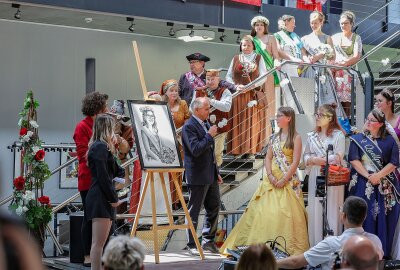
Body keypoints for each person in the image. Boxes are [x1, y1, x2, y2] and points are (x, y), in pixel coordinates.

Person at [220, 107, 309, 256]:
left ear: (289, 118)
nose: (277, 118)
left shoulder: (296, 137)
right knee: (262, 213)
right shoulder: (274, 137)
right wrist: (270, 175)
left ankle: (283, 248)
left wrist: (284, 179)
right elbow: (268, 158)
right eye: (277, 115)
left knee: (284, 214)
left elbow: (295, 162)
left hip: (287, 181)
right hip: (271, 180)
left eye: (280, 116)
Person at [277, 196, 384, 270]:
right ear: (364, 217)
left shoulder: (331, 244)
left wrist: (272, 262)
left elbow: (296, 263)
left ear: (343, 216)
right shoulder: (375, 240)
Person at [347, 109, 400, 257]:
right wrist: (369, 176)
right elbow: (353, 159)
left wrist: (378, 175)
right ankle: (358, 251)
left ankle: (380, 253)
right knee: (363, 215)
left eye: (372, 120)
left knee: (382, 215)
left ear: (381, 124)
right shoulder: (358, 138)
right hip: (363, 182)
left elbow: (394, 162)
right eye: (367, 119)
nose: (368, 122)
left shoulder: (390, 141)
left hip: (384, 183)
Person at [182, 97, 223, 256]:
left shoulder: (205, 124)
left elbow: (210, 153)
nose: (209, 111)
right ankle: (192, 244)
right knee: (194, 211)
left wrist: (216, 172)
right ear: (197, 110)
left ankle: (208, 241)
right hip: (197, 176)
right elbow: (195, 149)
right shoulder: (189, 127)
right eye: (206, 108)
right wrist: (209, 136)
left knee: (214, 207)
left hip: (210, 175)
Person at [73, 91, 108, 266]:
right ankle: (87, 254)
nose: (108, 109)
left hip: (101, 177)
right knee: (89, 217)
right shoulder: (82, 126)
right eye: (105, 106)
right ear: (98, 108)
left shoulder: (102, 125)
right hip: (88, 179)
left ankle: (98, 252)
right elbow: (82, 155)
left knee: (101, 219)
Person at [86, 114, 125, 270]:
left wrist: (114, 149)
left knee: (101, 242)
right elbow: (103, 177)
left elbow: (118, 171)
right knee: (98, 243)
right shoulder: (99, 147)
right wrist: (113, 198)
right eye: (113, 128)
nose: (115, 131)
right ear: (106, 129)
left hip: (102, 196)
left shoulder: (103, 147)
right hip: (100, 197)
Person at [303, 104, 346, 246]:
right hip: (316, 174)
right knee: (316, 208)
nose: (317, 117)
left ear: (330, 118)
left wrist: (319, 160)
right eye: (316, 114)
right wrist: (312, 160)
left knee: (332, 208)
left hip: (331, 175)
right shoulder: (312, 136)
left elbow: (339, 157)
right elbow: (306, 156)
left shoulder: (338, 135)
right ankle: (316, 245)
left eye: (320, 115)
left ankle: (332, 249)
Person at [226, 35, 268, 158]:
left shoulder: (259, 58)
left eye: (249, 45)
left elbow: (264, 76)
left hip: (252, 94)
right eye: (244, 45)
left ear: (253, 46)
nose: (246, 47)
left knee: (251, 122)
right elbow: (228, 75)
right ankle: (237, 150)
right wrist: (235, 86)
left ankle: (251, 150)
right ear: (241, 46)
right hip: (238, 94)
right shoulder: (235, 58)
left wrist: (253, 85)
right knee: (237, 121)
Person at [375, 89, 400, 260]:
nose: (377, 104)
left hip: (396, 167)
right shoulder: (375, 120)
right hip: (379, 168)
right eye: (376, 101)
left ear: (389, 103)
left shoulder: (398, 120)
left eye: (379, 101)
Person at [192, 69, 232, 166]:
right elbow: (191, 108)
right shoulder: (199, 91)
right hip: (202, 128)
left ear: (218, 80)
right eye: (208, 79)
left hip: (219, 127)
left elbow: (226, 107)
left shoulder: (225, 91)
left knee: (217, 153)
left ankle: (217, 175)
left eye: (213, 79)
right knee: (204, 153)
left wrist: (210, 101)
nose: (210, 82)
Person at [160, 79, 190, 209]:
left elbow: (188, 121)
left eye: (176, 91)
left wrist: (181, 131)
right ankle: (166, 199)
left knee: (178, 172)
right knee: (167, 172)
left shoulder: (183, 104)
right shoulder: (161, 105)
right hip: (165, 143)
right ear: (165, 92)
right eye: (171, 90)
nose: (174, 93)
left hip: (180, 142)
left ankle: (176, 200)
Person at [251, 15, 281, 141]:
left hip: (268, 74)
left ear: (265, 27)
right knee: (257, 105)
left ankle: (268, 138)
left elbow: (276, 56)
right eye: (256, 25)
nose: (259, 27)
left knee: (269, 106)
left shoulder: (271, 38)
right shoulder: (251, 40)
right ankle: (256, 139)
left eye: (261, 25)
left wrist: (277, 64)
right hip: (255, 76)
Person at [301, 11, 337, 107]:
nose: (313, 25)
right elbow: (303, 54)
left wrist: (321, 55)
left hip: (323, 71)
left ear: (321, 22)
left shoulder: (327, 38)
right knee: (310, 98)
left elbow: (333, 56)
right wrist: (307, 59)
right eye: (312, 23)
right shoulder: (305, 38)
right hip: (309, 70)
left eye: (316, 23)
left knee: (325, 98)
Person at [109, 100, 134, 234]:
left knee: (122, 194)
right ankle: (109, 221)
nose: (116, 120)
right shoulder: (105, 127)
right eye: (113, 117)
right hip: (107, 164)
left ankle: (120, 221)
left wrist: (118, 137)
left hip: (121, 164)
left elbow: (125, 148)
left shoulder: (127, 129)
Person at [331, 11, 362, 117]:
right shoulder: (334, 37)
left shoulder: (356, 38)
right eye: (342, 23)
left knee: (346, 101)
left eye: (346, 23)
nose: (343, 25)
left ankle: (347, 124)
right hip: (335, 72)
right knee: (335, 100)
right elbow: (330, 54)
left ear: (352, 24)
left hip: (348, 73)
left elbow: (356, 56)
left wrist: (343, 65)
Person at [274, 15, 308, 112]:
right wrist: (293, 59)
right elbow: (279, 51)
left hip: (296, 68)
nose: (295, 25)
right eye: (293, 22)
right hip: (285, 67)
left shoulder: (295, 36)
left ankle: (294, 116)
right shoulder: (277, 35)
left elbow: (303, 52)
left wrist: (306, 60)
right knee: (287, 93)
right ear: (286, 22)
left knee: (295, 93)